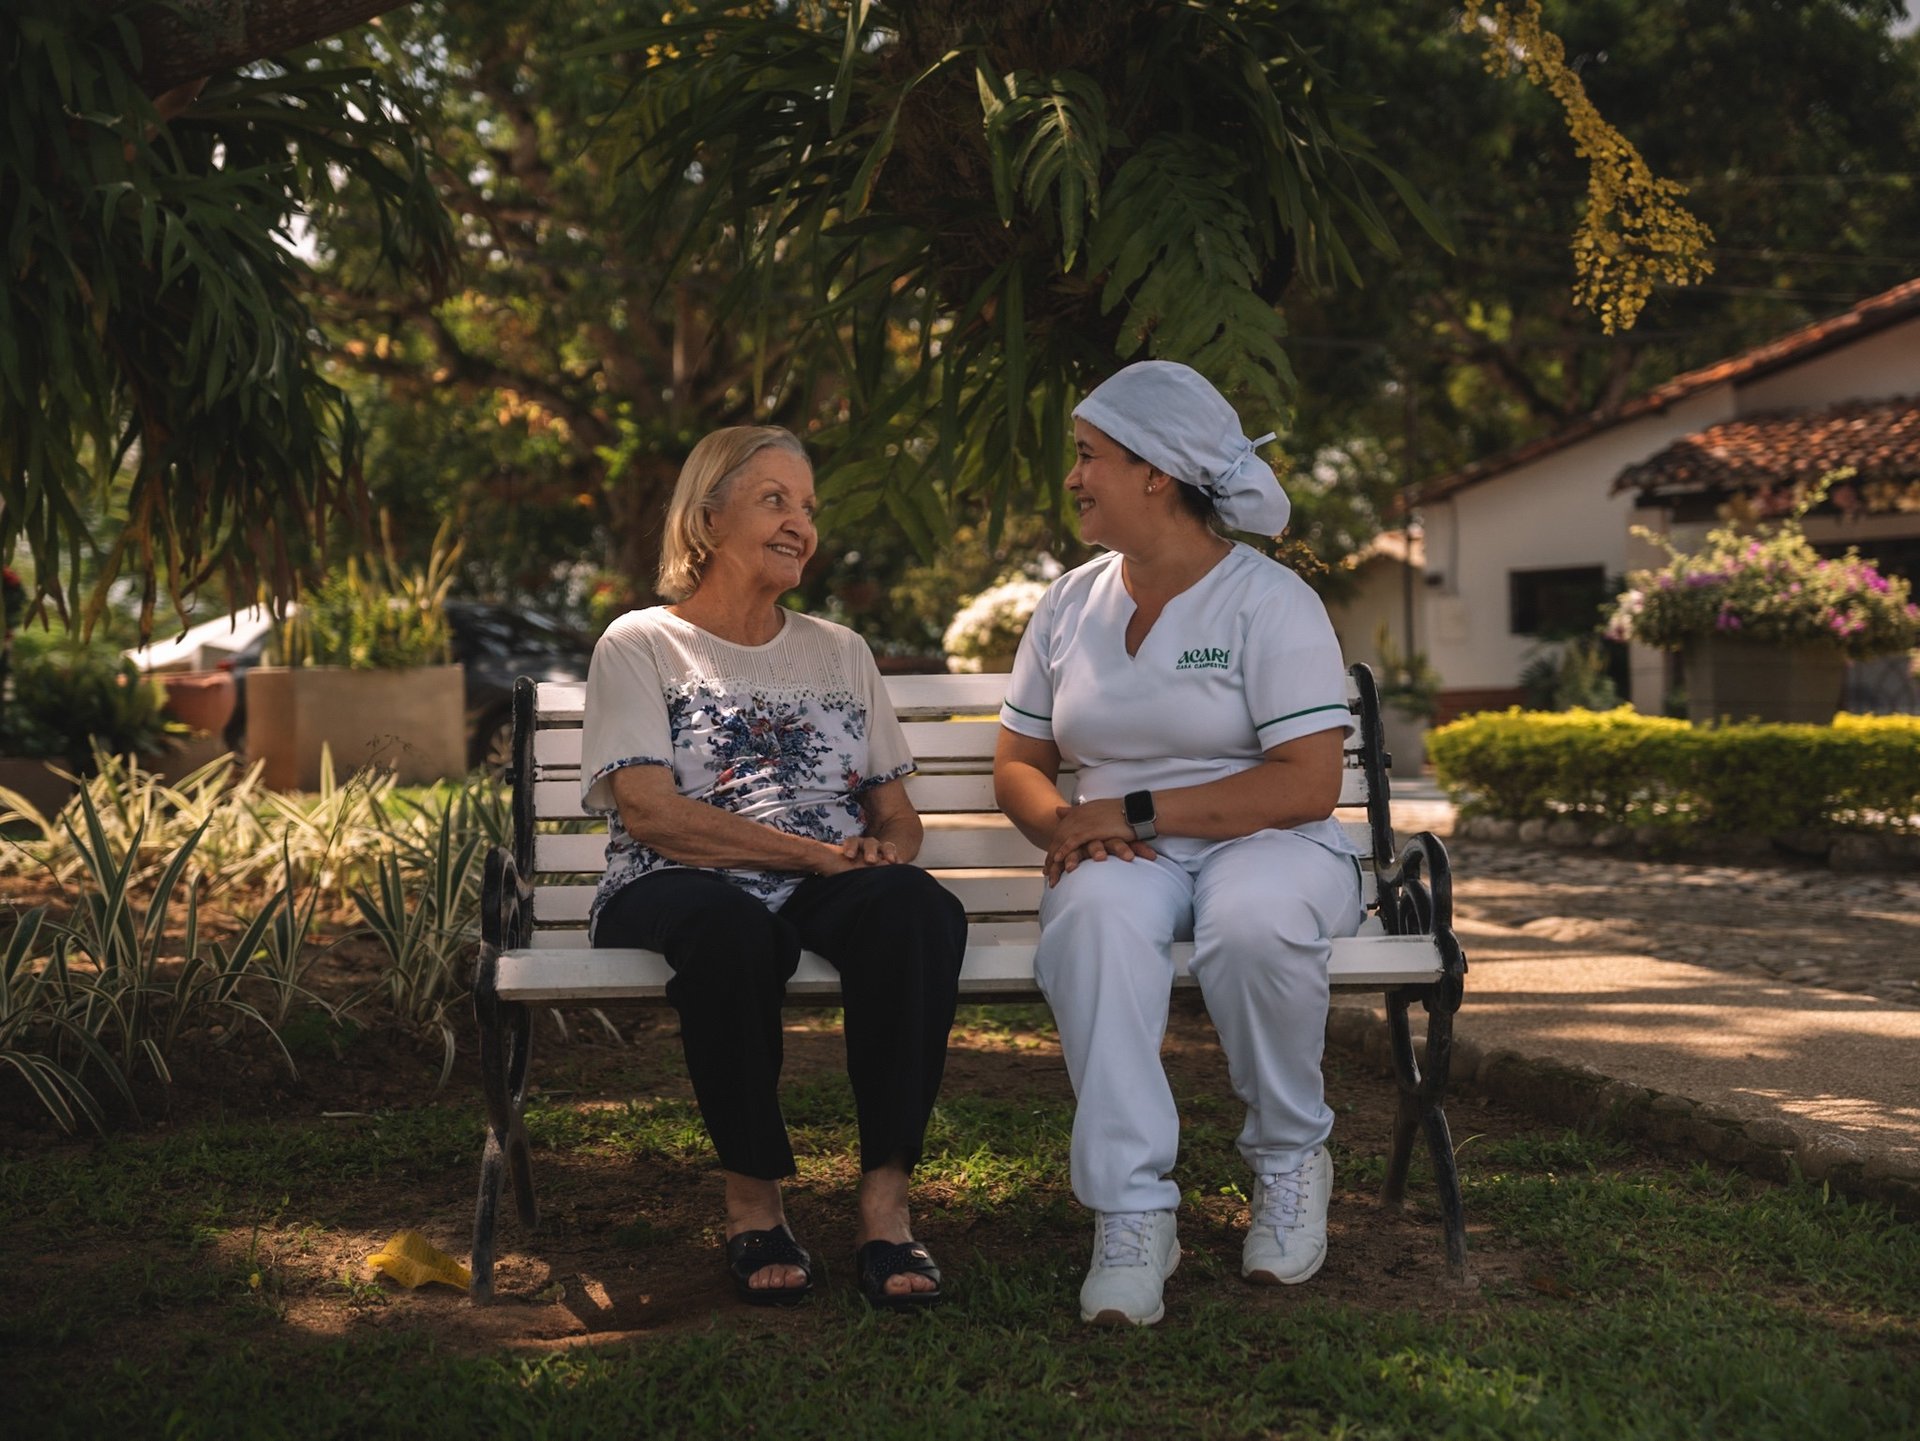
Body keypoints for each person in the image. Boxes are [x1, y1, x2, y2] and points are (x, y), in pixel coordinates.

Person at [992, 361, 1366, 1327]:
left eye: (1088, 457)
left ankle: (1288, 1159)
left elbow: (1308, 783)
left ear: (1156, 472)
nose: (1073, 477)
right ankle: (1131, 1210)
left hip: (1272, 840)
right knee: (1095, 923)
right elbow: (1021, 760)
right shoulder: (1069, 602)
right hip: (1125, 852)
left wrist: (1134, 812)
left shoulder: (1270, 601)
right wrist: (1066, 832)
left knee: (1251, 922)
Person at [581, 425, 966, 1310]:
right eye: (775, 500)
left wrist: (883, 852)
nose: (801, 523)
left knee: (917, 910)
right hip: (670, 879)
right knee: (730, 933)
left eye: (809, 508)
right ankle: (753, 1201)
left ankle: (885, 1206)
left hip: (816, 879)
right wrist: (814, 854)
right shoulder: (640, 642)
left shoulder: (841, 651)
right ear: (707, 518)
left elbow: (896, 817)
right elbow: (649, 810)